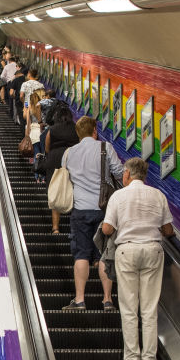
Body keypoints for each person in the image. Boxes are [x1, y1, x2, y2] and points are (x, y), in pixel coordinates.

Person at [101, 157, 174, 360]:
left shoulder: (119, 196)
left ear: (126, 174)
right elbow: (168, 230)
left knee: (129, 308)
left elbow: (106, 229)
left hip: (127, 251)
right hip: (153, 250)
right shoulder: (158, 195)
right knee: (149, 309)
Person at [61, 116, 122, 310]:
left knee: (81, 254)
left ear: (78, 133)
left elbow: (66, 177)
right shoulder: (105, 148)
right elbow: (120, 172)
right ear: (94, 130)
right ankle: (107, 300)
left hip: (80, 209)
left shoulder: (69, 153)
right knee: (104, 255)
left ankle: (79, 300)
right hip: (104, 210)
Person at [44, 103, 78, 233]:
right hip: (72, 159)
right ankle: (73, 226)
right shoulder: (76, 129)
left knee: (55, 190)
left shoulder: (52, 129)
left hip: (54, 159)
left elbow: (47, 148)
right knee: (72, 189)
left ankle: (55, 227)